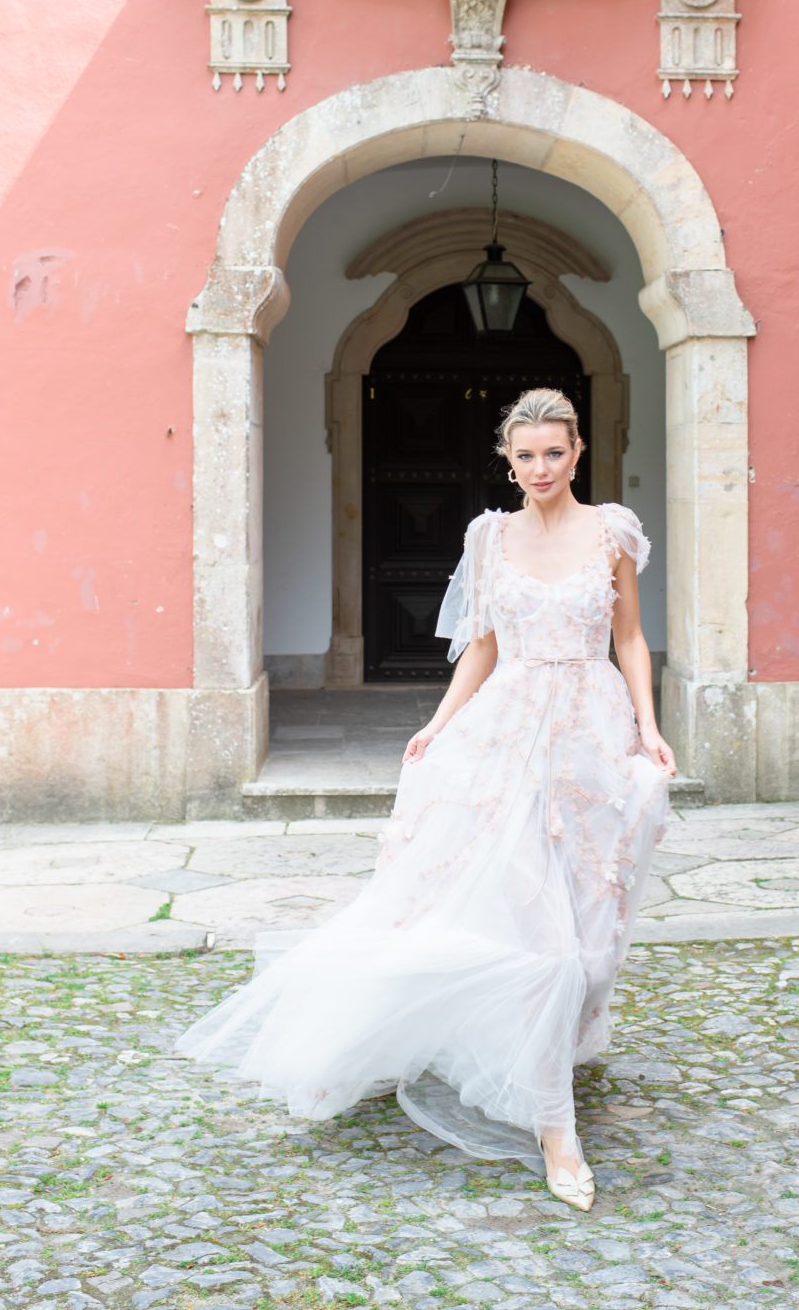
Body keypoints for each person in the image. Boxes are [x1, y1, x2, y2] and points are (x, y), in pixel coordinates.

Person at [177, 387, 675, 1212]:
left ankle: (551, 1044)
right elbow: (480, 646)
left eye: (555, 452)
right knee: (529, 932)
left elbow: (627, 637)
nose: (541, 468)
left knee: (589, 932)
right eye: (526, 456)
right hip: (506, 734)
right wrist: (439, 725)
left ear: (578, 451)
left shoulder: (612, 532)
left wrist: (649, 729)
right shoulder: (489, 537)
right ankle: (556, 1130)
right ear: (507, 460)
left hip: (590, 731)